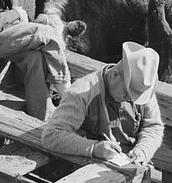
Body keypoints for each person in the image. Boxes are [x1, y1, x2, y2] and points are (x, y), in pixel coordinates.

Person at [42, 42, 164, 170]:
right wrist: (94, 148)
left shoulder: (140, 89)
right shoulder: (80, 93)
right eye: (127, 94)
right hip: (90, 166)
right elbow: (51, 135)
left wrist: (143, 151)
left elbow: (154, 126)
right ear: (115, 75)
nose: (132, 100)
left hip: (131, 163)